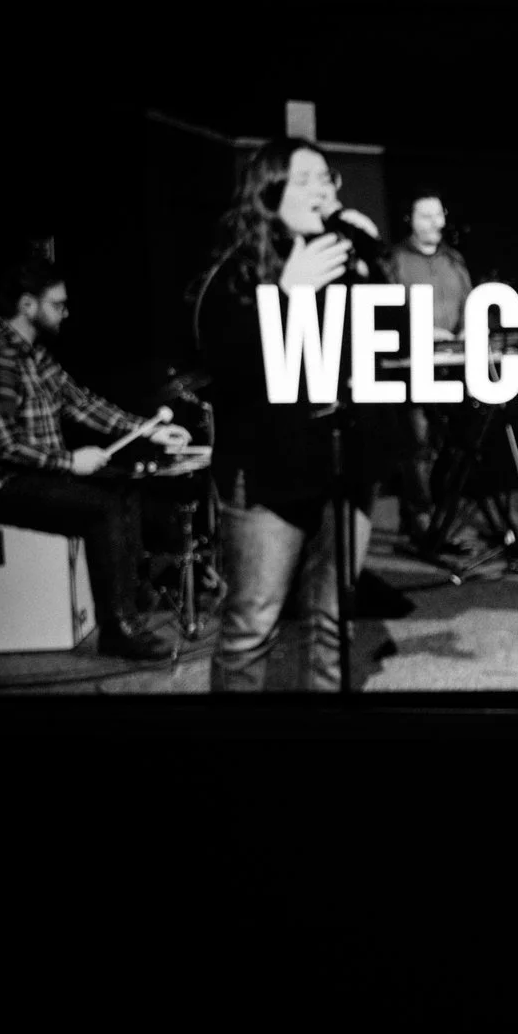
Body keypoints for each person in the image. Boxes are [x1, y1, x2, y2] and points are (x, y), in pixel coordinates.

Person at [192, 138, 389, 692]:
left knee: (333, 625)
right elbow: (228, 371)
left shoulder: (344, 257)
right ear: (269, 193)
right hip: (267, 476)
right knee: (252, 627)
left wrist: (374, 264)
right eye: (305, 180)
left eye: (327, 179)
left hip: (343, 467)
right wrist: (284, 296)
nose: (321, 190)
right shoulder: (234, 272)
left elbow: (387, 343)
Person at [0, 245, 194, 658]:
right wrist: (70, 461)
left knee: (125, 485)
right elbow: (1, 444)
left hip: (37, 476)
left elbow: (81, 402)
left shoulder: (35, 355)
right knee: (103, 507)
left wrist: (148, 430)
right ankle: (118, 629)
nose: (66, 312)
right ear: (27, 305)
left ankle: (131, 598)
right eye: (57, 304)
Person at [380, 189, 472, 556]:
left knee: (449, 445)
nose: (435, 222)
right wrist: (423, 331)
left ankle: (431, 517)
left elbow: (469, 303)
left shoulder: (454, 260)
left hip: (451, 365)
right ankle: (421, 521)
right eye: (425, 216)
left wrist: (467, 330)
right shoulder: (395, 261)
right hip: (412, 365)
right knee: (416, 445)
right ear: (410, 221)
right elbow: (386, 311)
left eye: (438, 214)